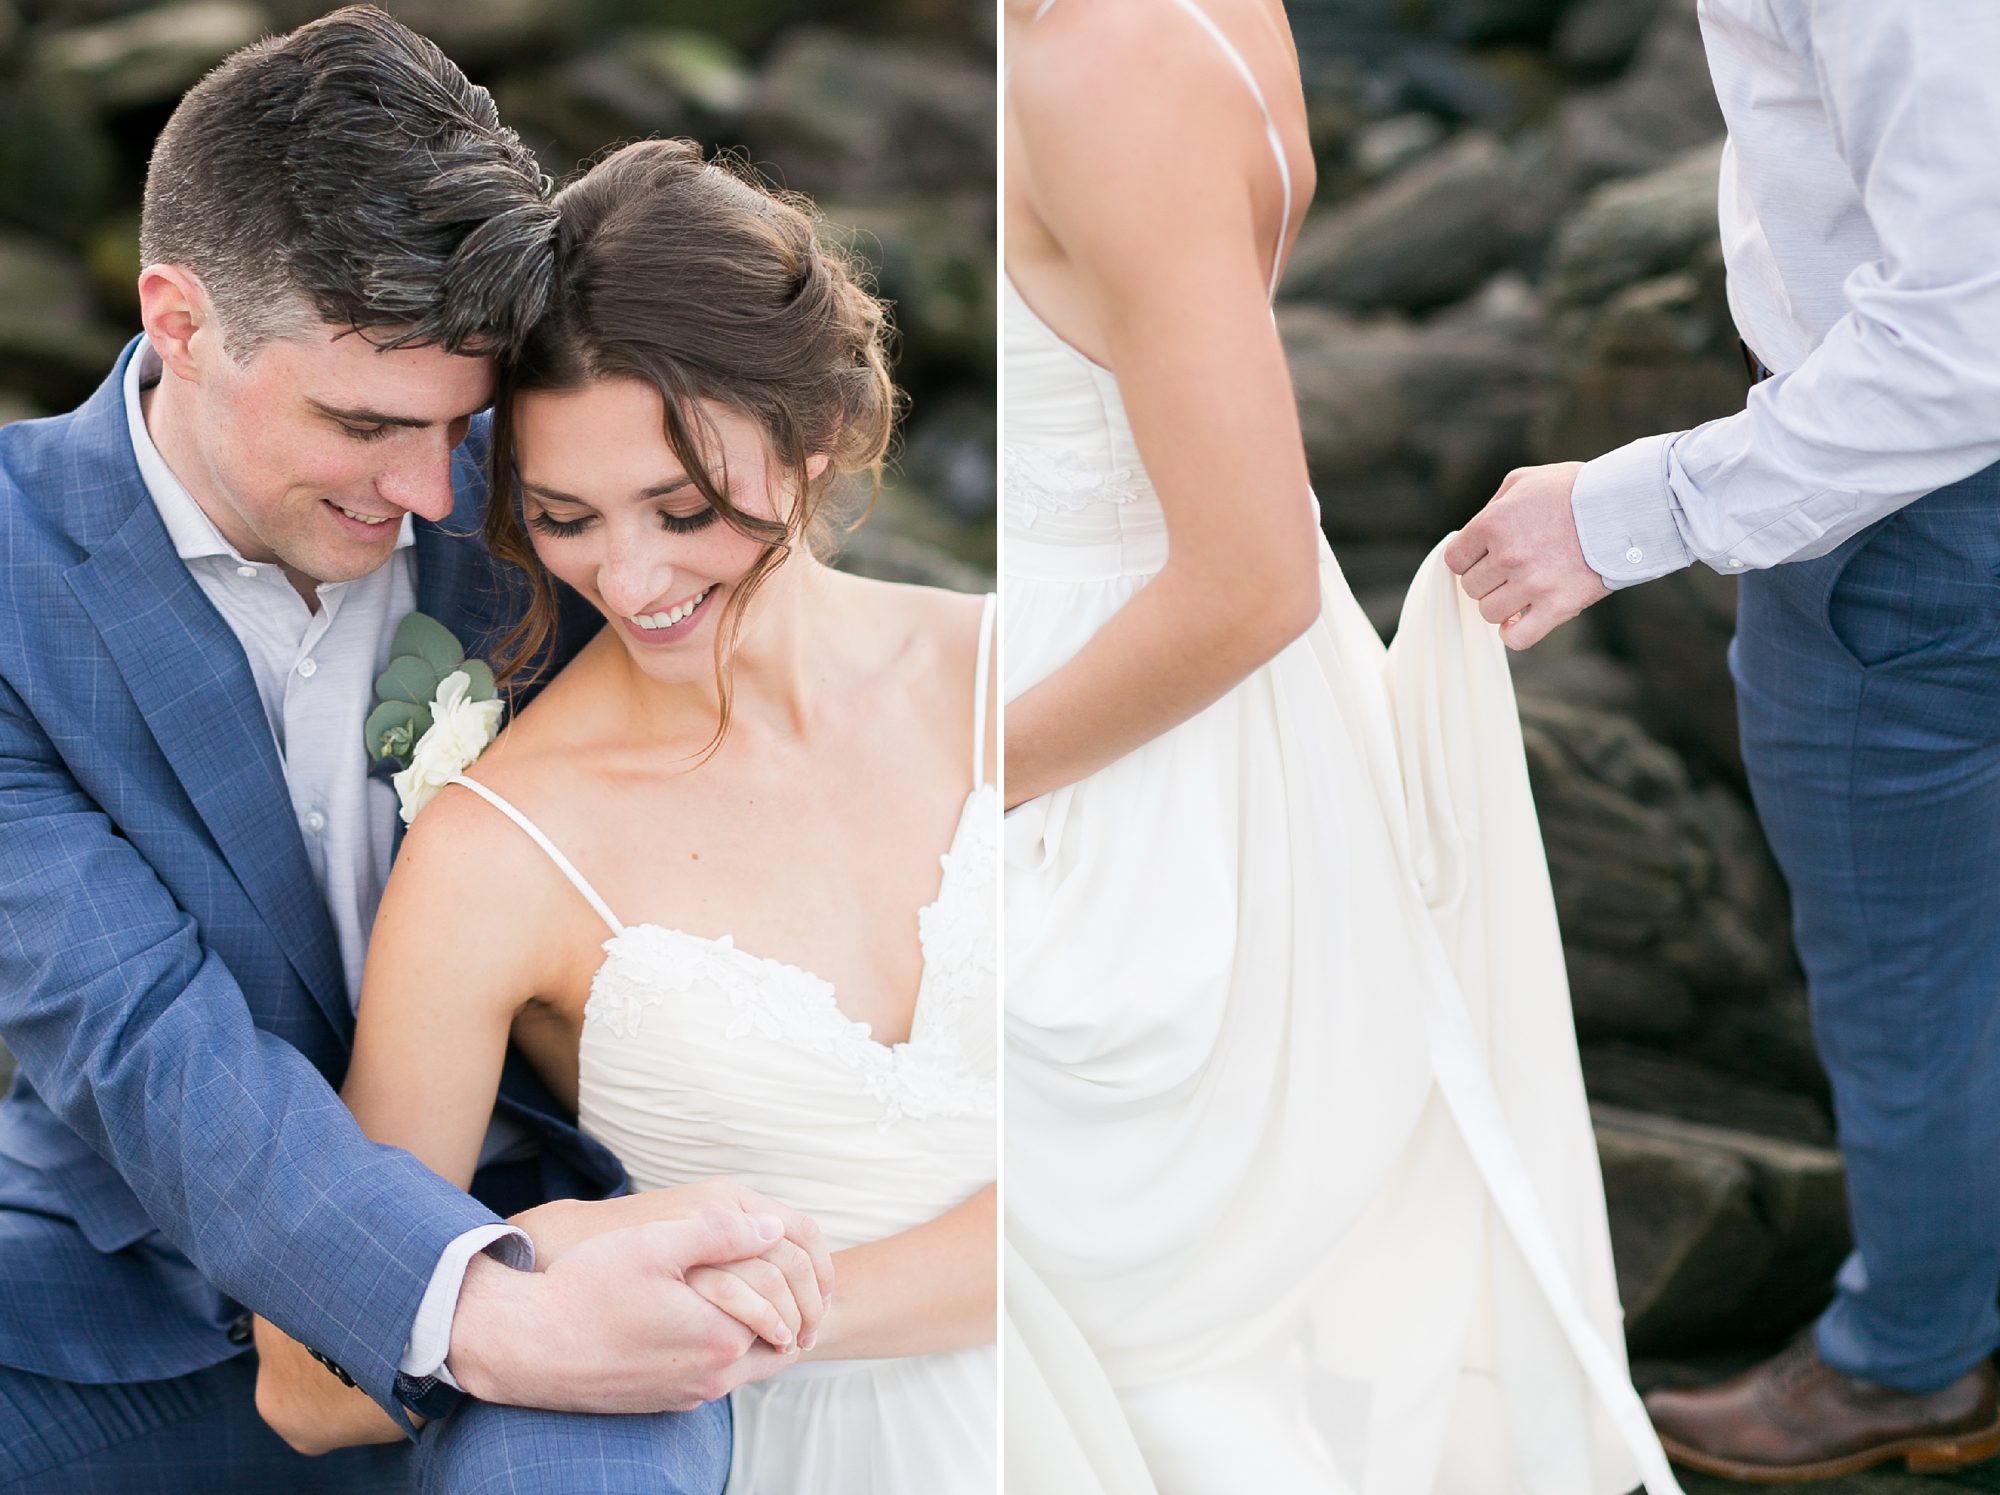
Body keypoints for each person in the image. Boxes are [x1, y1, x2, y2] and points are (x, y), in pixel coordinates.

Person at [0, 11, 832, 1492]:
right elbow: (138, 1044)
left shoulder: (561, 488)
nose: (435, 490)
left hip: (580, 1246)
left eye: (461, 425)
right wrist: (481, 1307)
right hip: (113, 1312)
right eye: (364, 422)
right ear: (179, 321)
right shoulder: (12, 581)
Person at [247, 138, 998, 1495]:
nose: (634, 577)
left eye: (684, 507)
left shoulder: (1015, 677)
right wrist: (568, 1266)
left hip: (1138, 1365)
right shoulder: (497, 849)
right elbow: (310, 1379)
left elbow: (1191, 1116)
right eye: (567, 519)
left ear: (818, 429)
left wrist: (792, 1312)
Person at [1000, 0, 1682, 1491]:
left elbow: (1246, 578)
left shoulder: (1107, 61)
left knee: (1119, 1319)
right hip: (1199, 712)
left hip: (1133, 749)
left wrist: (953, 783)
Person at [1446, 3, 2000, 1482]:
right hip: (1923, 499)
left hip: (1921, 519)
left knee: (1908, 980)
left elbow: (1967, 337)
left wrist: (1630, 513)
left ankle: (1917, 1360)